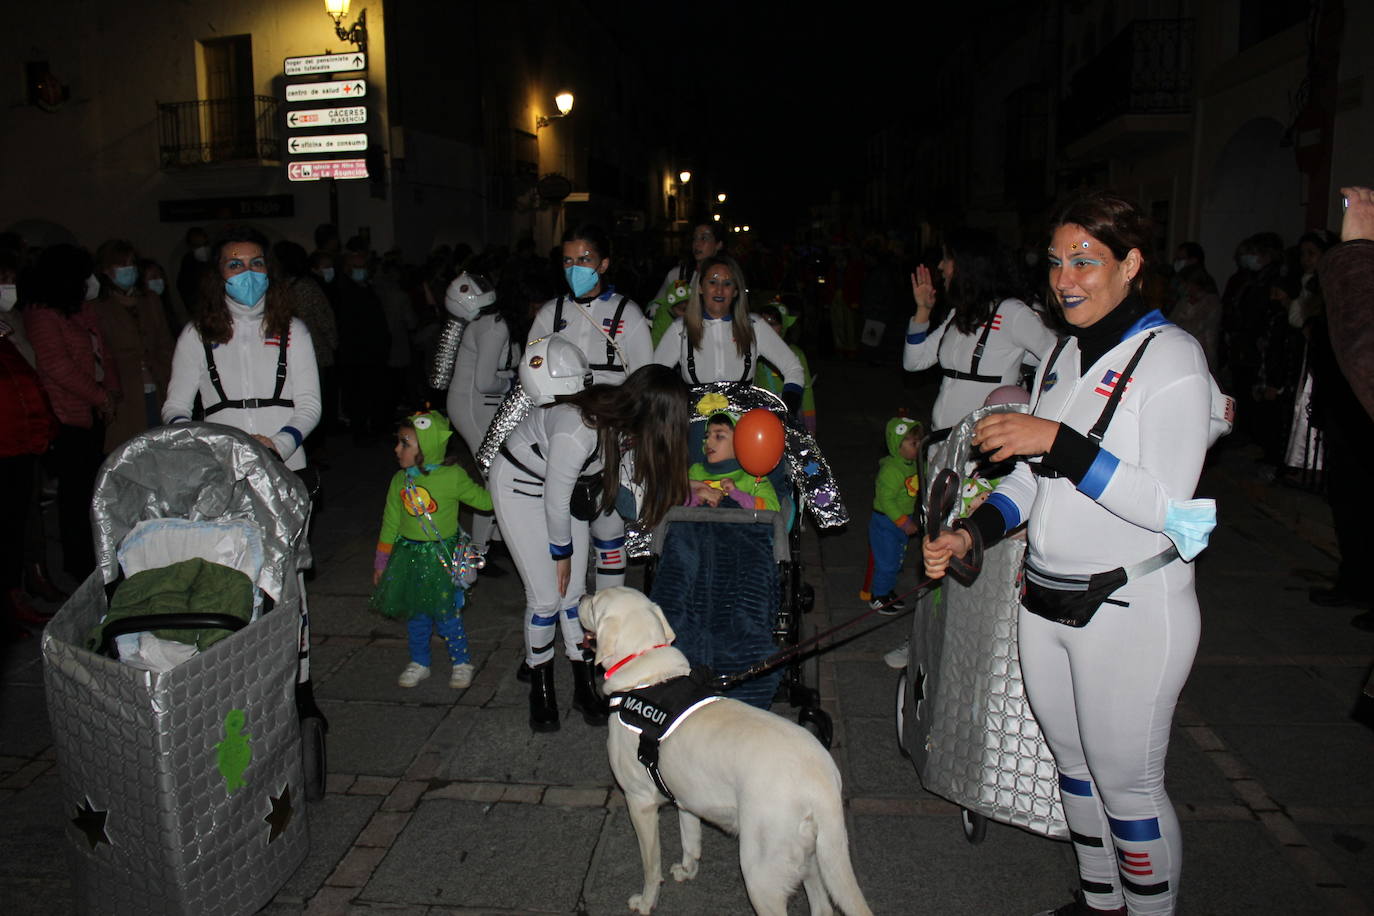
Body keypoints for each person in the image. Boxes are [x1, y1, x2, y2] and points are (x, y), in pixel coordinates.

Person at [923, 192, 1222, 916]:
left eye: (1087, 262)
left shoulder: (1173, 359)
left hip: (1130, 606)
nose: (1067, 279)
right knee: (1076, 772)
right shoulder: (1060, 353)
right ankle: (1100, 902)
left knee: (1129, 785)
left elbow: (1169, 508)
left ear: (1132, 264)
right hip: (1045, 599)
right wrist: (974, 533)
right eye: (1057, 263)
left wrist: (1055, 440)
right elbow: (1030, 479)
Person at [490, 342, 688, 732]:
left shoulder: (621, 422)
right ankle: (541, 686)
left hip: (564, 494)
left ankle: (583, 684)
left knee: (575, 597)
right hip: (519, 487)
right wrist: (560, 552)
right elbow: (554, 500)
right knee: (546, 597)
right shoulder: (581, 427)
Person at [161, 227, 321, 471]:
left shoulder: (293, 331)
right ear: (218, 274)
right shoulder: (196, 334)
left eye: (256, 263)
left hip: (285, 464)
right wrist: (199, 444)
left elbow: (310, 404)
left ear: (269, 270)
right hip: (221, 465)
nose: (248, 272)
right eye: (235, 265)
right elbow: (176, 406)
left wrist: (279, 445)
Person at [371, 410, 492, 689]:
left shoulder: (452, 477)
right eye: (399, 442)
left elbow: (484, 502)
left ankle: (461, 662)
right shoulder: (399, 481)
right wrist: (381, 562)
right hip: (409, 556)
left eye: (405, 443)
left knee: (448, 613)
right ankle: (420, 661)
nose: (397, 449)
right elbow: (390, 522)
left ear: (427, 449)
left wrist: (502, 484)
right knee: (416, 613)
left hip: (442, 558)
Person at [902, 228, 1058, 438]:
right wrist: (923, 310)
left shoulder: (1012, 313)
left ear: (967, 265)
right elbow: (913, 361)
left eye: (947, 258)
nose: (940, 266)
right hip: (942, 442)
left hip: (982, 453)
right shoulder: (959, 314)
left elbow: (1059, 360)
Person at [25, 244, 120, 580]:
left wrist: (109, 391)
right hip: (67, 415)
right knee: (75, 495)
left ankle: (97, 558)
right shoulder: (43, 314)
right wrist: (98, 396)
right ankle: (79, 566)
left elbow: (101, 351)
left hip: (90, 410)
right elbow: (56, 366)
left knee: (92, 490)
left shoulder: (79, 310)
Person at [653, 254, 805, 416]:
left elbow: (793, 368)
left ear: (735, 291)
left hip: (743, 427)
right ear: (700, 287)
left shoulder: (754, 326)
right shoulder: (680, 329)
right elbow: (653, 378)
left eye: (727, 283)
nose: (719, 290)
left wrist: (785, 412)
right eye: (712, 282)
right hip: (695, 427)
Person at [442, 272, 518, 557]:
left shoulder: (485, 322)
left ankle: (494, 540)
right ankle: (478, 550)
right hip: (475, 404)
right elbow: (486, 382)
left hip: (474, 403)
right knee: (494, 475)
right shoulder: (492, 326)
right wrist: (510, 381)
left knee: (497, 471)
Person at [528, 224, 653, 387]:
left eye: (584, 259)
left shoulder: (628, 313)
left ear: (603, 265)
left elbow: (644, 378)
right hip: (561, 409)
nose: (575, 268)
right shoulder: (550, 313)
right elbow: (533, 370)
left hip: (611, 408)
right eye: (568, 261)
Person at [92, 239, 174, 452]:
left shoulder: (150, 301)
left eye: (131, 264)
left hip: (158, 386)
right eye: (121, 265)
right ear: (106, 271)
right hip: (125, 393)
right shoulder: (98, 308)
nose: (128, 270)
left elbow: (165, 343)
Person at [860, 416, 921, 614]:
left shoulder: (913, 464)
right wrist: (903, 522)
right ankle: (878, 596)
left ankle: (886, 590)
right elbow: (886, 500)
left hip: (902, 519)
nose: (918, 446)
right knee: (886, 560)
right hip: (886, 521)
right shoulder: (892, 470)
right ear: (898, 445)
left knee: (896, 558)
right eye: (913, 443)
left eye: (920, 442)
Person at [647, 222, 726, 346]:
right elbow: (654, 309)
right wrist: (672, 311)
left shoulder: (728, 278)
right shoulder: (677, 275)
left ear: (719, 244)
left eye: (704, 238)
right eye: (695, 238)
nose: (697, 244)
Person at [687, 412, 780, 511]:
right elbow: (676, 504)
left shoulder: (753, 476)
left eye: (719, 436)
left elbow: (773, 508)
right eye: (706, 436)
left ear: (740, 442)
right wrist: (697, 496)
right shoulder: (696, 471)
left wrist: (737, 494)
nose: (708, 441)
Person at [755, 302, 816, 431]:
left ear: (783, 326)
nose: (767, 329)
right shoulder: (753, 353)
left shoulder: (795, 355)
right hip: (760, 415)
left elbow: (807, 391)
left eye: (772, 323)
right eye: (764, 324)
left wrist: (810, 426)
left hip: (789, 410)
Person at [175, 226, 213, 323]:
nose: (203, 249)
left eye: (205, 244)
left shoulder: (215, 259)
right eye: (197, 245)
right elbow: (185, 289)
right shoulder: (188, 263)